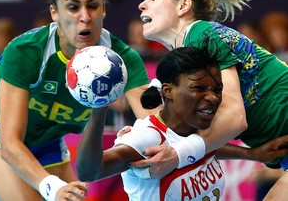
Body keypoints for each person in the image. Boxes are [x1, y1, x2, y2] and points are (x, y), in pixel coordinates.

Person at [0, 0, 159, 200]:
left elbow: (154, 121)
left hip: (49, 141)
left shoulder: (123, 60)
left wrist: (173, 144)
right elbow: (10, 144)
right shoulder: (26, 51)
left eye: (93, 6)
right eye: (73, 7)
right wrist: (52, 186)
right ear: (54, 13)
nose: (85, 16)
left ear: (104, 10)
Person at [128, 0, 288, 185]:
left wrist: (177, 155)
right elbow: (192, 139)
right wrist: (140, 135)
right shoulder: (183, 58)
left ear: (183, 6)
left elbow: (234, 117)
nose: (142, 5)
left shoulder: (201, 34)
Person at [77, 45, 228, 200]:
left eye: (217, 90)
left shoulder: (197, 130)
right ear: (168, 91)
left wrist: (250, 154)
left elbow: (209, 148)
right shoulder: (148, 137)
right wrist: (99, 107)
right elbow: (89, 172)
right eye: (199, 88)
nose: (213, 98)